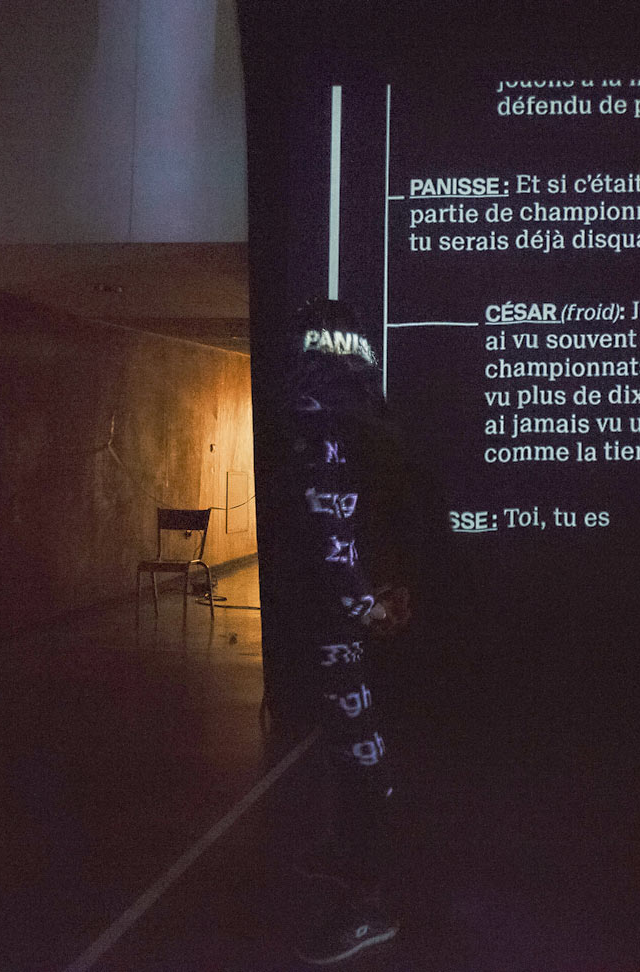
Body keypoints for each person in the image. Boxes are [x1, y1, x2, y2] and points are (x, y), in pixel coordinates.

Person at [275, 298, 408, 965]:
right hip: (362, 605)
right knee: (352, 742)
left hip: (339, 612)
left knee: (359, 750)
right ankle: (351, 861)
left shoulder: (315, 415)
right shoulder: (367, 413)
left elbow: (329, 526)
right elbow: (378, 514)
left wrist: (361, 607)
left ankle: (368, 903)